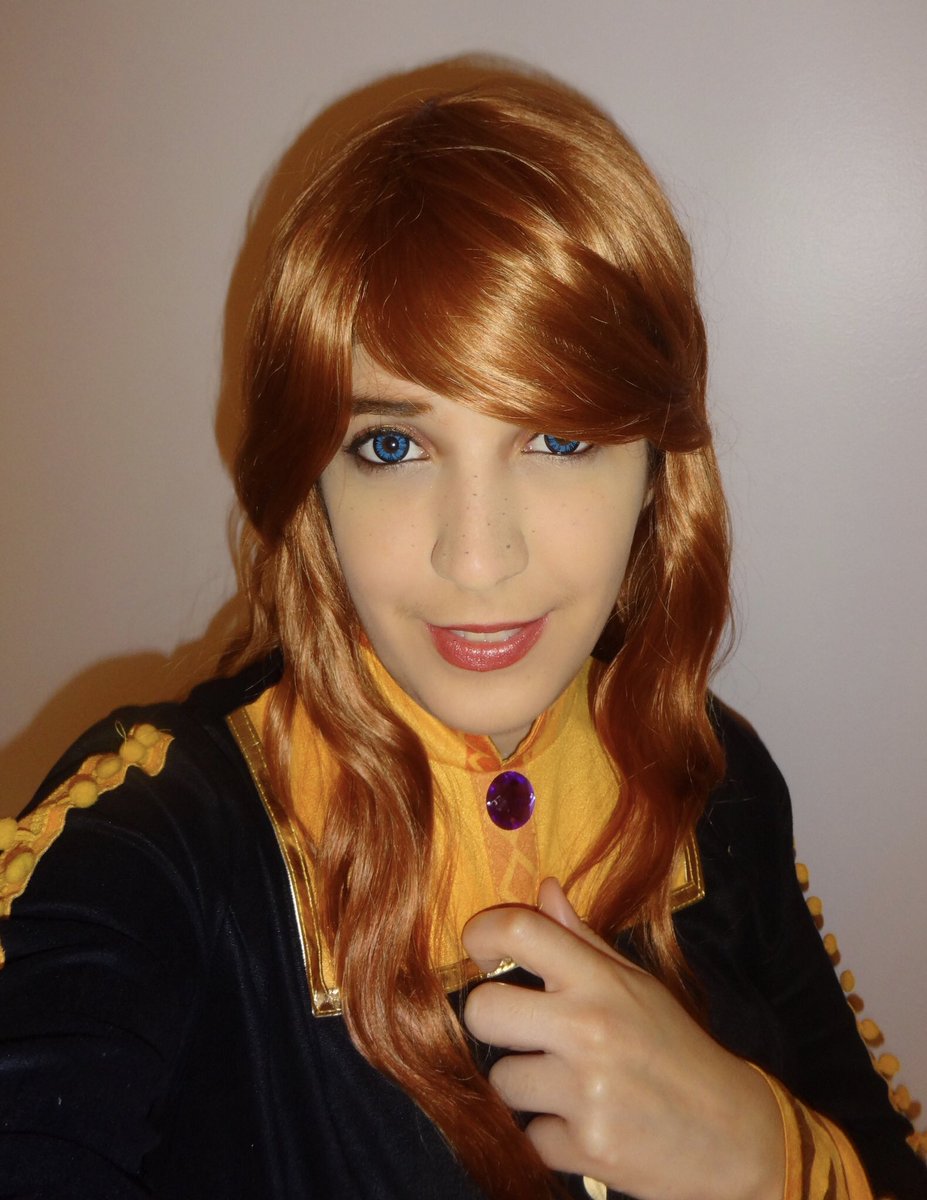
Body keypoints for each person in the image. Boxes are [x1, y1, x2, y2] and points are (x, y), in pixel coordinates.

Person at [0, 64, 923, 1200]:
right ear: (312, 486)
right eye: (392, 446)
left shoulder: (714, 782)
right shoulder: (158, 842)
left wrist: (762, 1153)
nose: (477, 560)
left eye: (556, 439)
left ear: (657, 470)